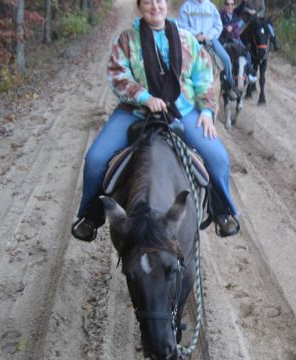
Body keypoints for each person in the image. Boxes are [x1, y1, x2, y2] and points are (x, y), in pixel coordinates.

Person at [71, 0, 240, 241]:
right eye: (147, 1)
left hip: (182, 109)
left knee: (218, 157)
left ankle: (222, 212)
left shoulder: (186, 39)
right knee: (96, 158)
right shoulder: (127, 40)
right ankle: (91, 216)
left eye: (159, 0)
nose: (154, 6)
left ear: (166, 4)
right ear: (139, 7)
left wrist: (206, 111)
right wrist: (144, 97)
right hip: (135, 111)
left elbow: (203, 76)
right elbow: (118, 76)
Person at [178, 0, 239, 98]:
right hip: (191, 41)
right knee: (178, 61)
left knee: (226, 59)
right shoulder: (187, 6)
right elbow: (182, 26)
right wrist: (195, 34)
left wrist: (210, 35)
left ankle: (229, 87)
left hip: (210, 40)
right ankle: (176, 90)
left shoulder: (211, 7)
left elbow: (218, 25)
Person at [219, 0, 256, 82]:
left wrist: (244, 2)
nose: (230, 6)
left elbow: (241, 7)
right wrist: (225, 28)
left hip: (235, 39)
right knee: (220, 54)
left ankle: (249, 73)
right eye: (228, 4)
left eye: (232, 4)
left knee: (247, 53)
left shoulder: (236, 13)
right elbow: (216, 25)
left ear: (234, 6)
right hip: (224, 39)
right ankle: (221, 74)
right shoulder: (220, 14)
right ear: (225, 5)